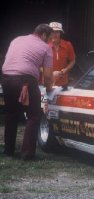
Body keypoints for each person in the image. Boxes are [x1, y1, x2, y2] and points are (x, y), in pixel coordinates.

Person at [1, 23, 53, 160]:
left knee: (11, 114)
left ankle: (8, 150)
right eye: (49, 38)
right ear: (43, 34)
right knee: (34, 115)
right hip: (26, 79)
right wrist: (49, 88)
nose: (49, 41)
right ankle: (27, 154)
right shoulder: (46, 48)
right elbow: (48, 76)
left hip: (6, 78)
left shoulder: (17, 39)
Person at [49, 22, 76, 89]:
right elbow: (38, 65)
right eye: (52, 32)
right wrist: (51, 73)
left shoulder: (67, 45)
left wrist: (66, 69)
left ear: (60, 33)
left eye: (57, 32)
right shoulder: (44, 45)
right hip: (47, 82)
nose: (54, 34)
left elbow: (72, 60)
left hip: (63, 82)